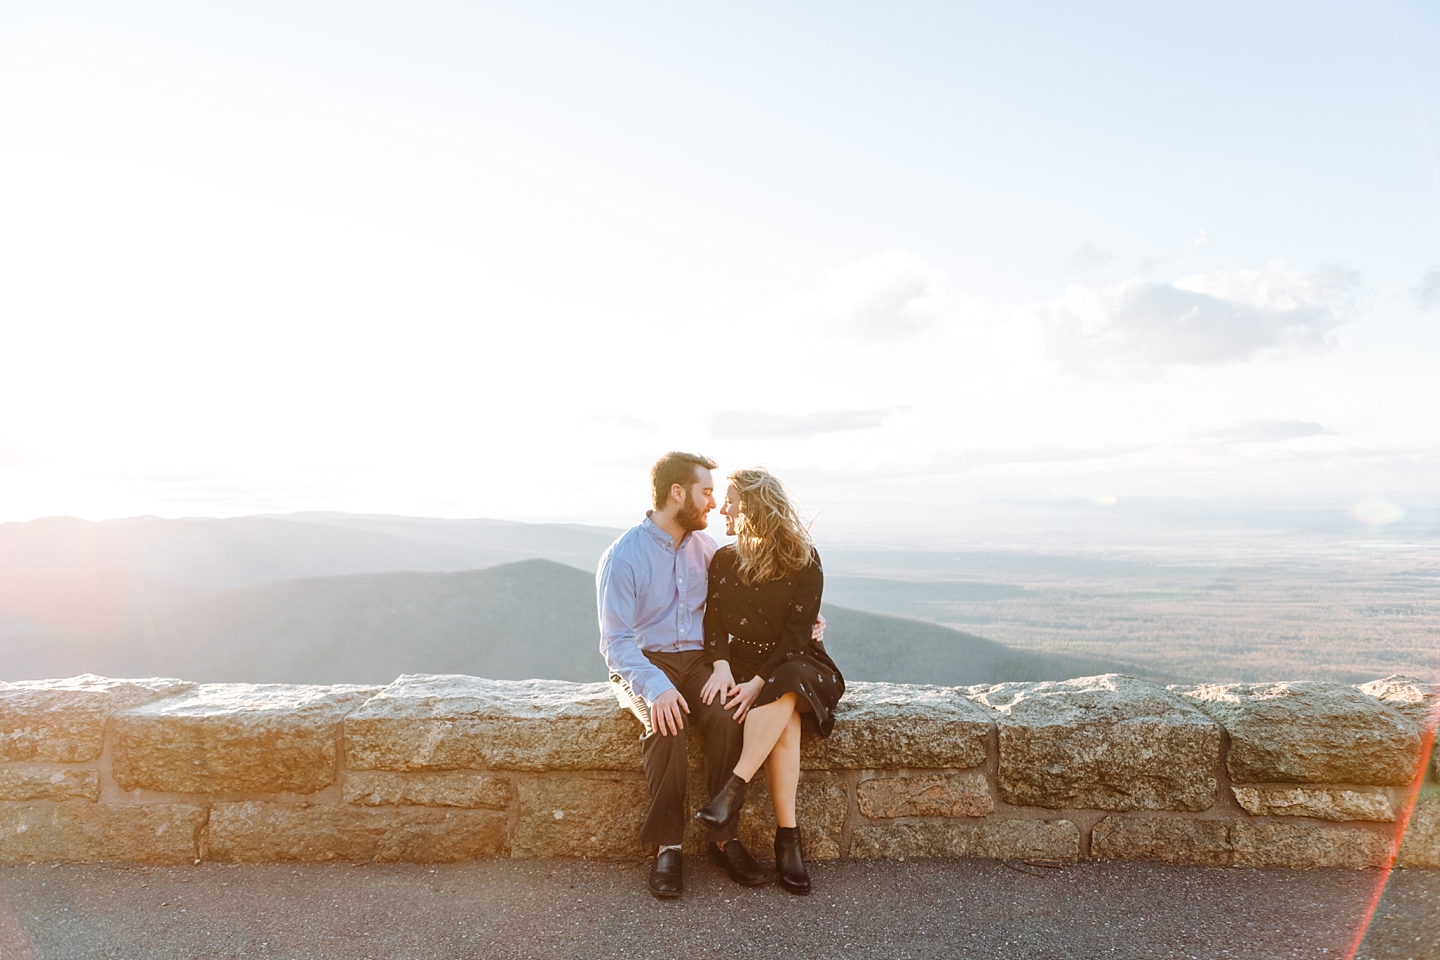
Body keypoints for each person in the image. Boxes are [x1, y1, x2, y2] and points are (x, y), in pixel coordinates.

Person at [598, 452, 824, 900]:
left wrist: (813, 623)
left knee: (726, 717)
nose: (713, 504)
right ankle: (669, 847)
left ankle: (723, 839)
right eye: (706, 493)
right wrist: (656, 688)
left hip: (700, 663)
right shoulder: (623, 556)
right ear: (676, 493)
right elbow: (616, 642)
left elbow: (760, 601)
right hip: (645, 664)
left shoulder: (709, 550)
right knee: (667, 725)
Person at [694, 467, 845, 895]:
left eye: (731, 501)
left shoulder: (804, 558)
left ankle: (730, 792)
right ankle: (788, 838)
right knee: (787, 723)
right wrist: (721, 665)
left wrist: (759, 682)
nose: (723, 508)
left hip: (796, 663)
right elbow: (713, 622)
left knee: (789, 680)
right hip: (743, 666)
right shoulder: (725, 559)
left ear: (754, 507)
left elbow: (798, 637)